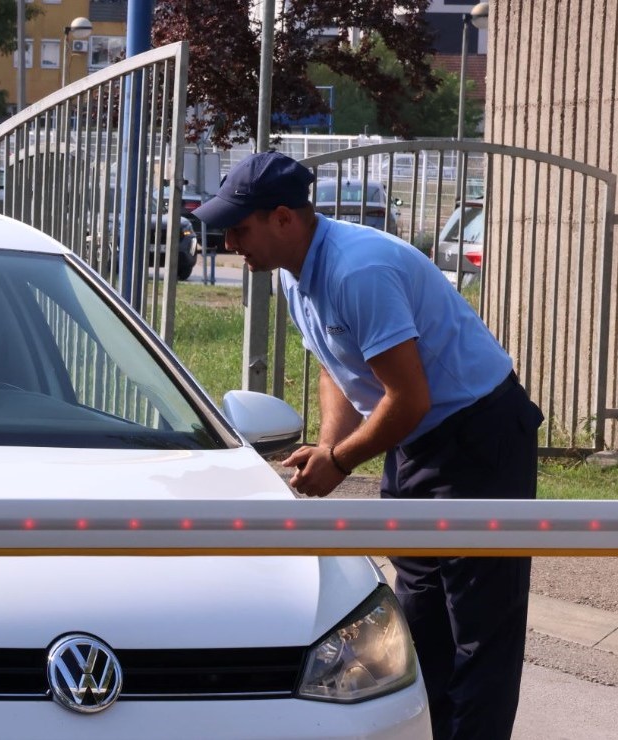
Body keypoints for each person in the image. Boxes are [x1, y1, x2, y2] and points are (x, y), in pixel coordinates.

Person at [192, 151, 543, 740]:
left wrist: (341, 460)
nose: (230, 243)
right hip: (419, 446)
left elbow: (409, 398)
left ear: (283, 218)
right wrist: (330, 442)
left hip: (479, 441)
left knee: (480, 633)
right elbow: (336, 369)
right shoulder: (293, 270)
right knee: (419, 621)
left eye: (240, 227)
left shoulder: (357, 270)